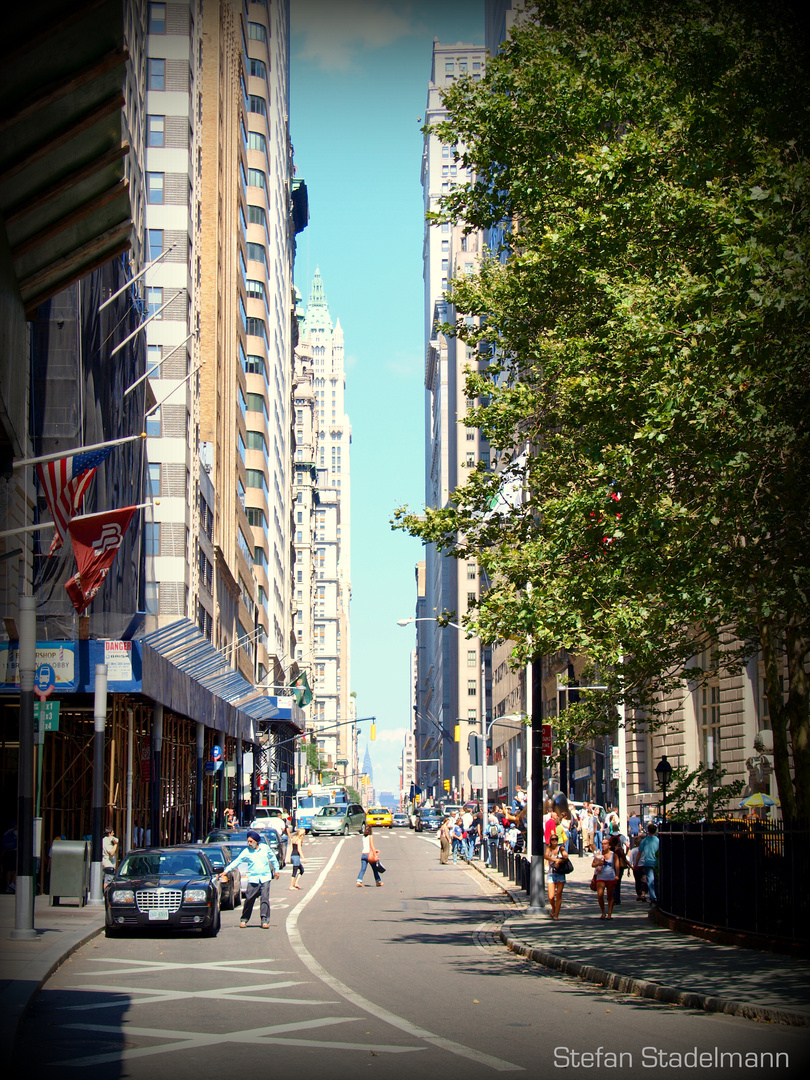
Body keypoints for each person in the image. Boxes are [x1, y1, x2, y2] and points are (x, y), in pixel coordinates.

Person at [221, 829, 280, 928]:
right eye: (248, 841)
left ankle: (264, 920)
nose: (249, 843)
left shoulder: (265, 848)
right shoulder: (246, 852)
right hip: (253, 879)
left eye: (251, 841)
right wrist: (226, 870)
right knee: (249, 899)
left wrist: (276, 870)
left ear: (256, 841)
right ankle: (244, 919)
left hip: (265, 878)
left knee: (265, 898)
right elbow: (237, 861)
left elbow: (273, 858)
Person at [592, 836, 617, 919]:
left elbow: (616, 866)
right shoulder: (599, 855)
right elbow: (593, 865)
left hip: (610, 876)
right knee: (600, 894)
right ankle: (603, 912)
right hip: (600, 876)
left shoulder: (613, 855)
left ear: (609, 845)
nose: (603, 845)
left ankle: (609, 913)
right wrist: (598, 863)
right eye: (602, 844)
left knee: (610, 896)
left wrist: (617, 875)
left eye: (605, 844)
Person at [544, 833, 568, 918]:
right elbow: (546, 856)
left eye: (556, 839)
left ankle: (556, 914)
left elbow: (565, 856)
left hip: (560, 873)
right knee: (551, 896)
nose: (554, 841)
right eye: (552, 839)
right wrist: (555, 860)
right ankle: (553, 908)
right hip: (551, 873)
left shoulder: (560, 848)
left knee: (558, 894)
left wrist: (559, 861)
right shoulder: (549, 848)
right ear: (550, 841)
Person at [637, 823, 660, 906]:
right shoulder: (658, 840)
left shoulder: (645, 840)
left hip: (647, 862)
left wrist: (636, 863)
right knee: (657, 880)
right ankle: (658, 896)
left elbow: (640, 852)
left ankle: (653, 897)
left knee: (650, 880)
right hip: (656, 862)